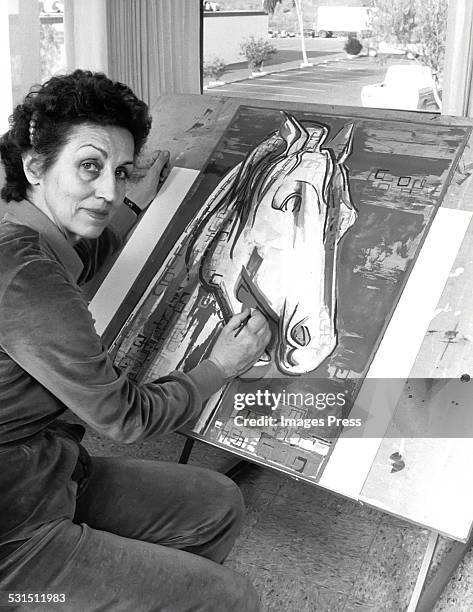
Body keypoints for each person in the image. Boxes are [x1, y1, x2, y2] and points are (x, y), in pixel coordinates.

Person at [0, 70, 271, 611]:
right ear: (34, 166)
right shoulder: (22, 274)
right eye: (89, 167)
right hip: (10, 532)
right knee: (228, 601)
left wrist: (131, 206)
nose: (108, 191)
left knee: (216, 502)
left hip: (45, 469)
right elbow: (127, 419)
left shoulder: (32, 234)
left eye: (120, 173)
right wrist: (219, 365)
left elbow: (87, 254)